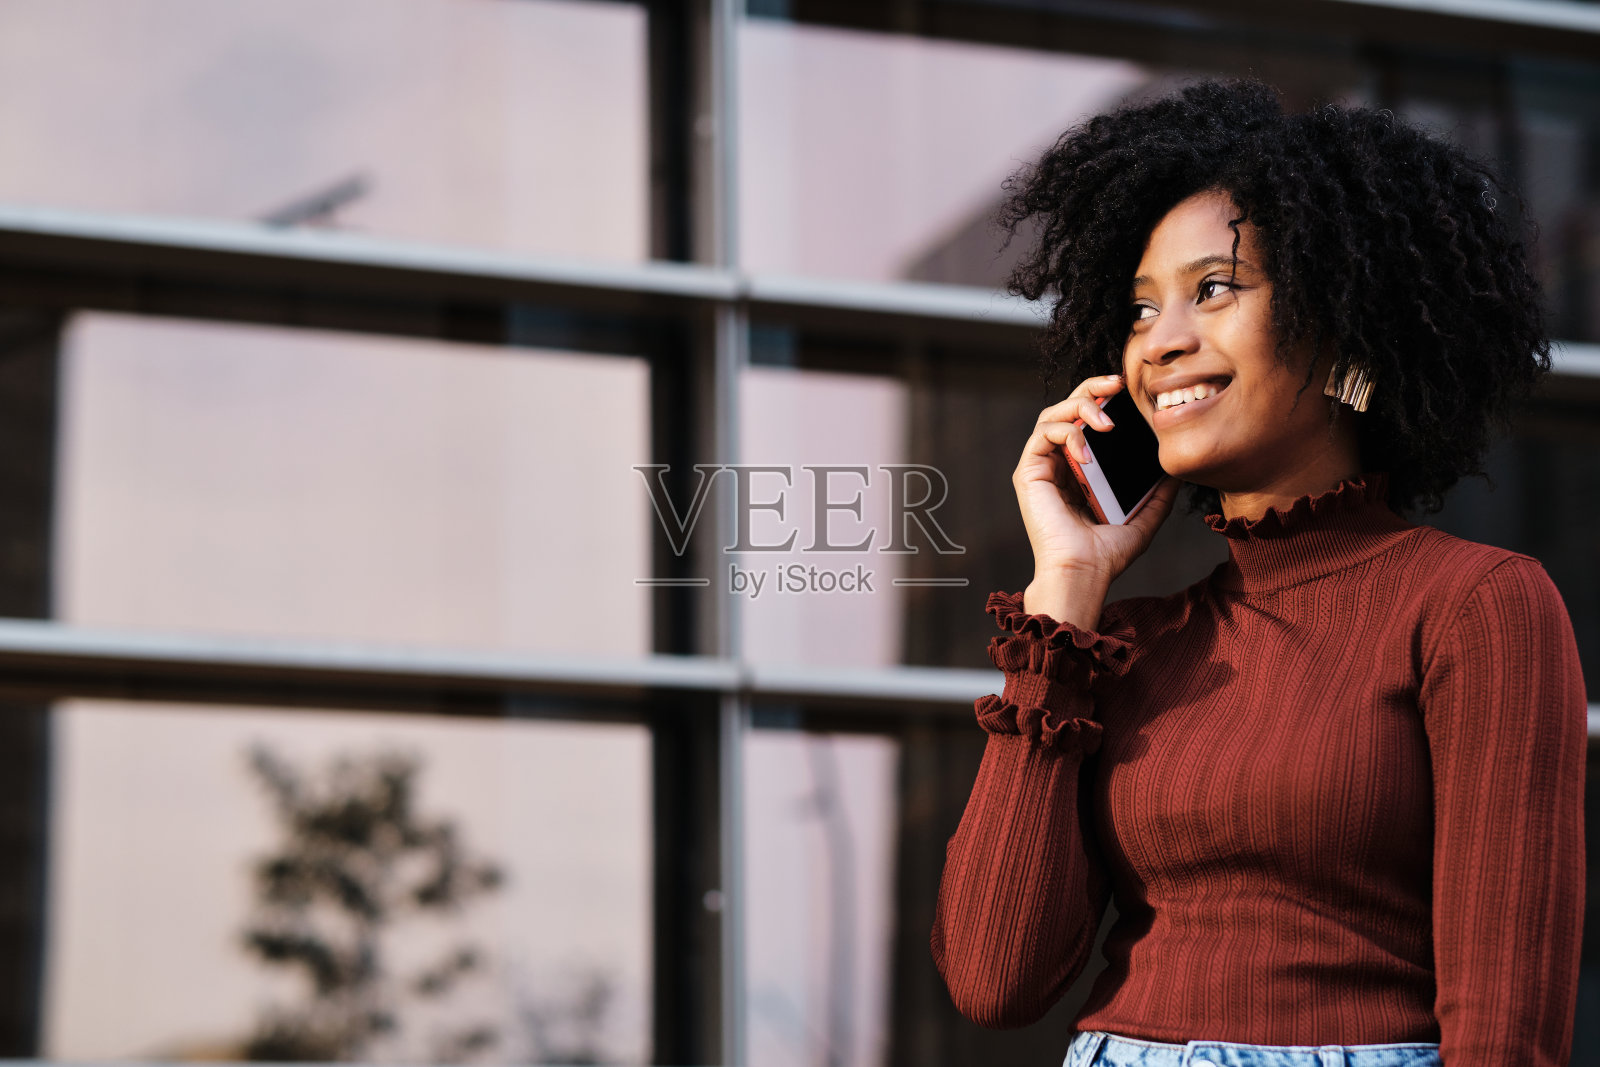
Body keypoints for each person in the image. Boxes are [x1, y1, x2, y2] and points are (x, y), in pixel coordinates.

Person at [930, 79, 1586, 1067]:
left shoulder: (1474, 605)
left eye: (1214, 289)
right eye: (1141, 308)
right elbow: (992, 978)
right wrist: (1061, 590)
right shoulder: (1130, 642)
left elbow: (1506, 1029)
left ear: (1344, 328)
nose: (1163, 342)